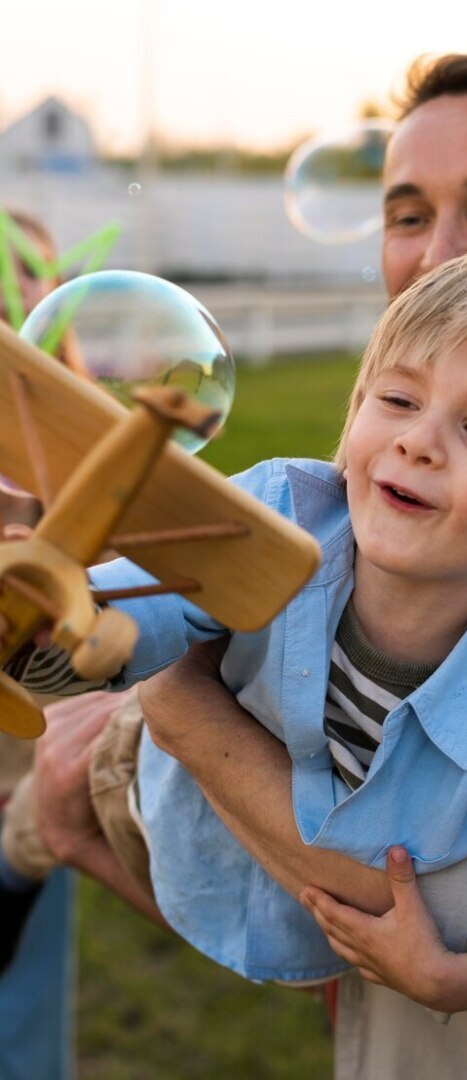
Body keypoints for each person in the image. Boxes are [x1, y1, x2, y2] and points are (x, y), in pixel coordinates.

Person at [22, 52, 467, 1077]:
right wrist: (55, 620)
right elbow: (117, 635)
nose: (436, 254)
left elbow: (439, 900)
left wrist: (170, 703)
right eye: (404, 214)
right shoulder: (325, 510)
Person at [3, 244, 467, 1011]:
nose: (416, 440)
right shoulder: (279, 516)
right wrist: (42, 622)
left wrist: (453, 981)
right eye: (396, 399)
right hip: (140, 789)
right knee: (44, 807)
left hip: (282, 910)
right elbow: (127, 618)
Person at [0, 208, 79, 1080]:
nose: (32, 295)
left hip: (22, 796)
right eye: (16, 270)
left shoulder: (63, 438)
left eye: (44, 277)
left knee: (23, 1022)